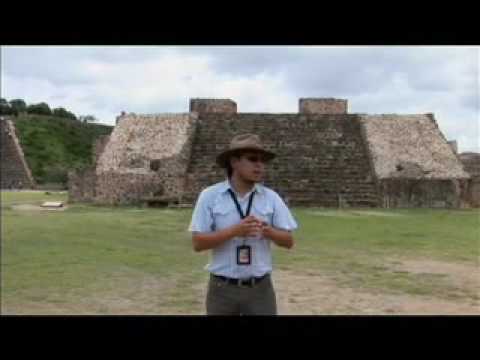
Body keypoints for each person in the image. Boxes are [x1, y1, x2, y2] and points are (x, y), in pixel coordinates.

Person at [188, 133, 298, 315]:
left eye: (263, 161)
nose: (259, 165)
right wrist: (235, 231)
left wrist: (268, 231)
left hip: (260, 290)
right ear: (234, 162)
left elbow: (289, 241)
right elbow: (198, 243)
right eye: (253, 159)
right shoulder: (210, 196)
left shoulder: (271, 197)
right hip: (222, 289)